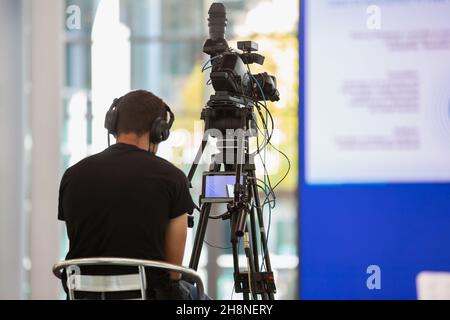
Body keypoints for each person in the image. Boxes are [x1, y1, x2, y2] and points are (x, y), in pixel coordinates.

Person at [58, 90, 198, 299]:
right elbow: (174, 272)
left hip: (85, 295)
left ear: (113, 125)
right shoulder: (172, 178)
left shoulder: (72, 175)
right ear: (159, 131)